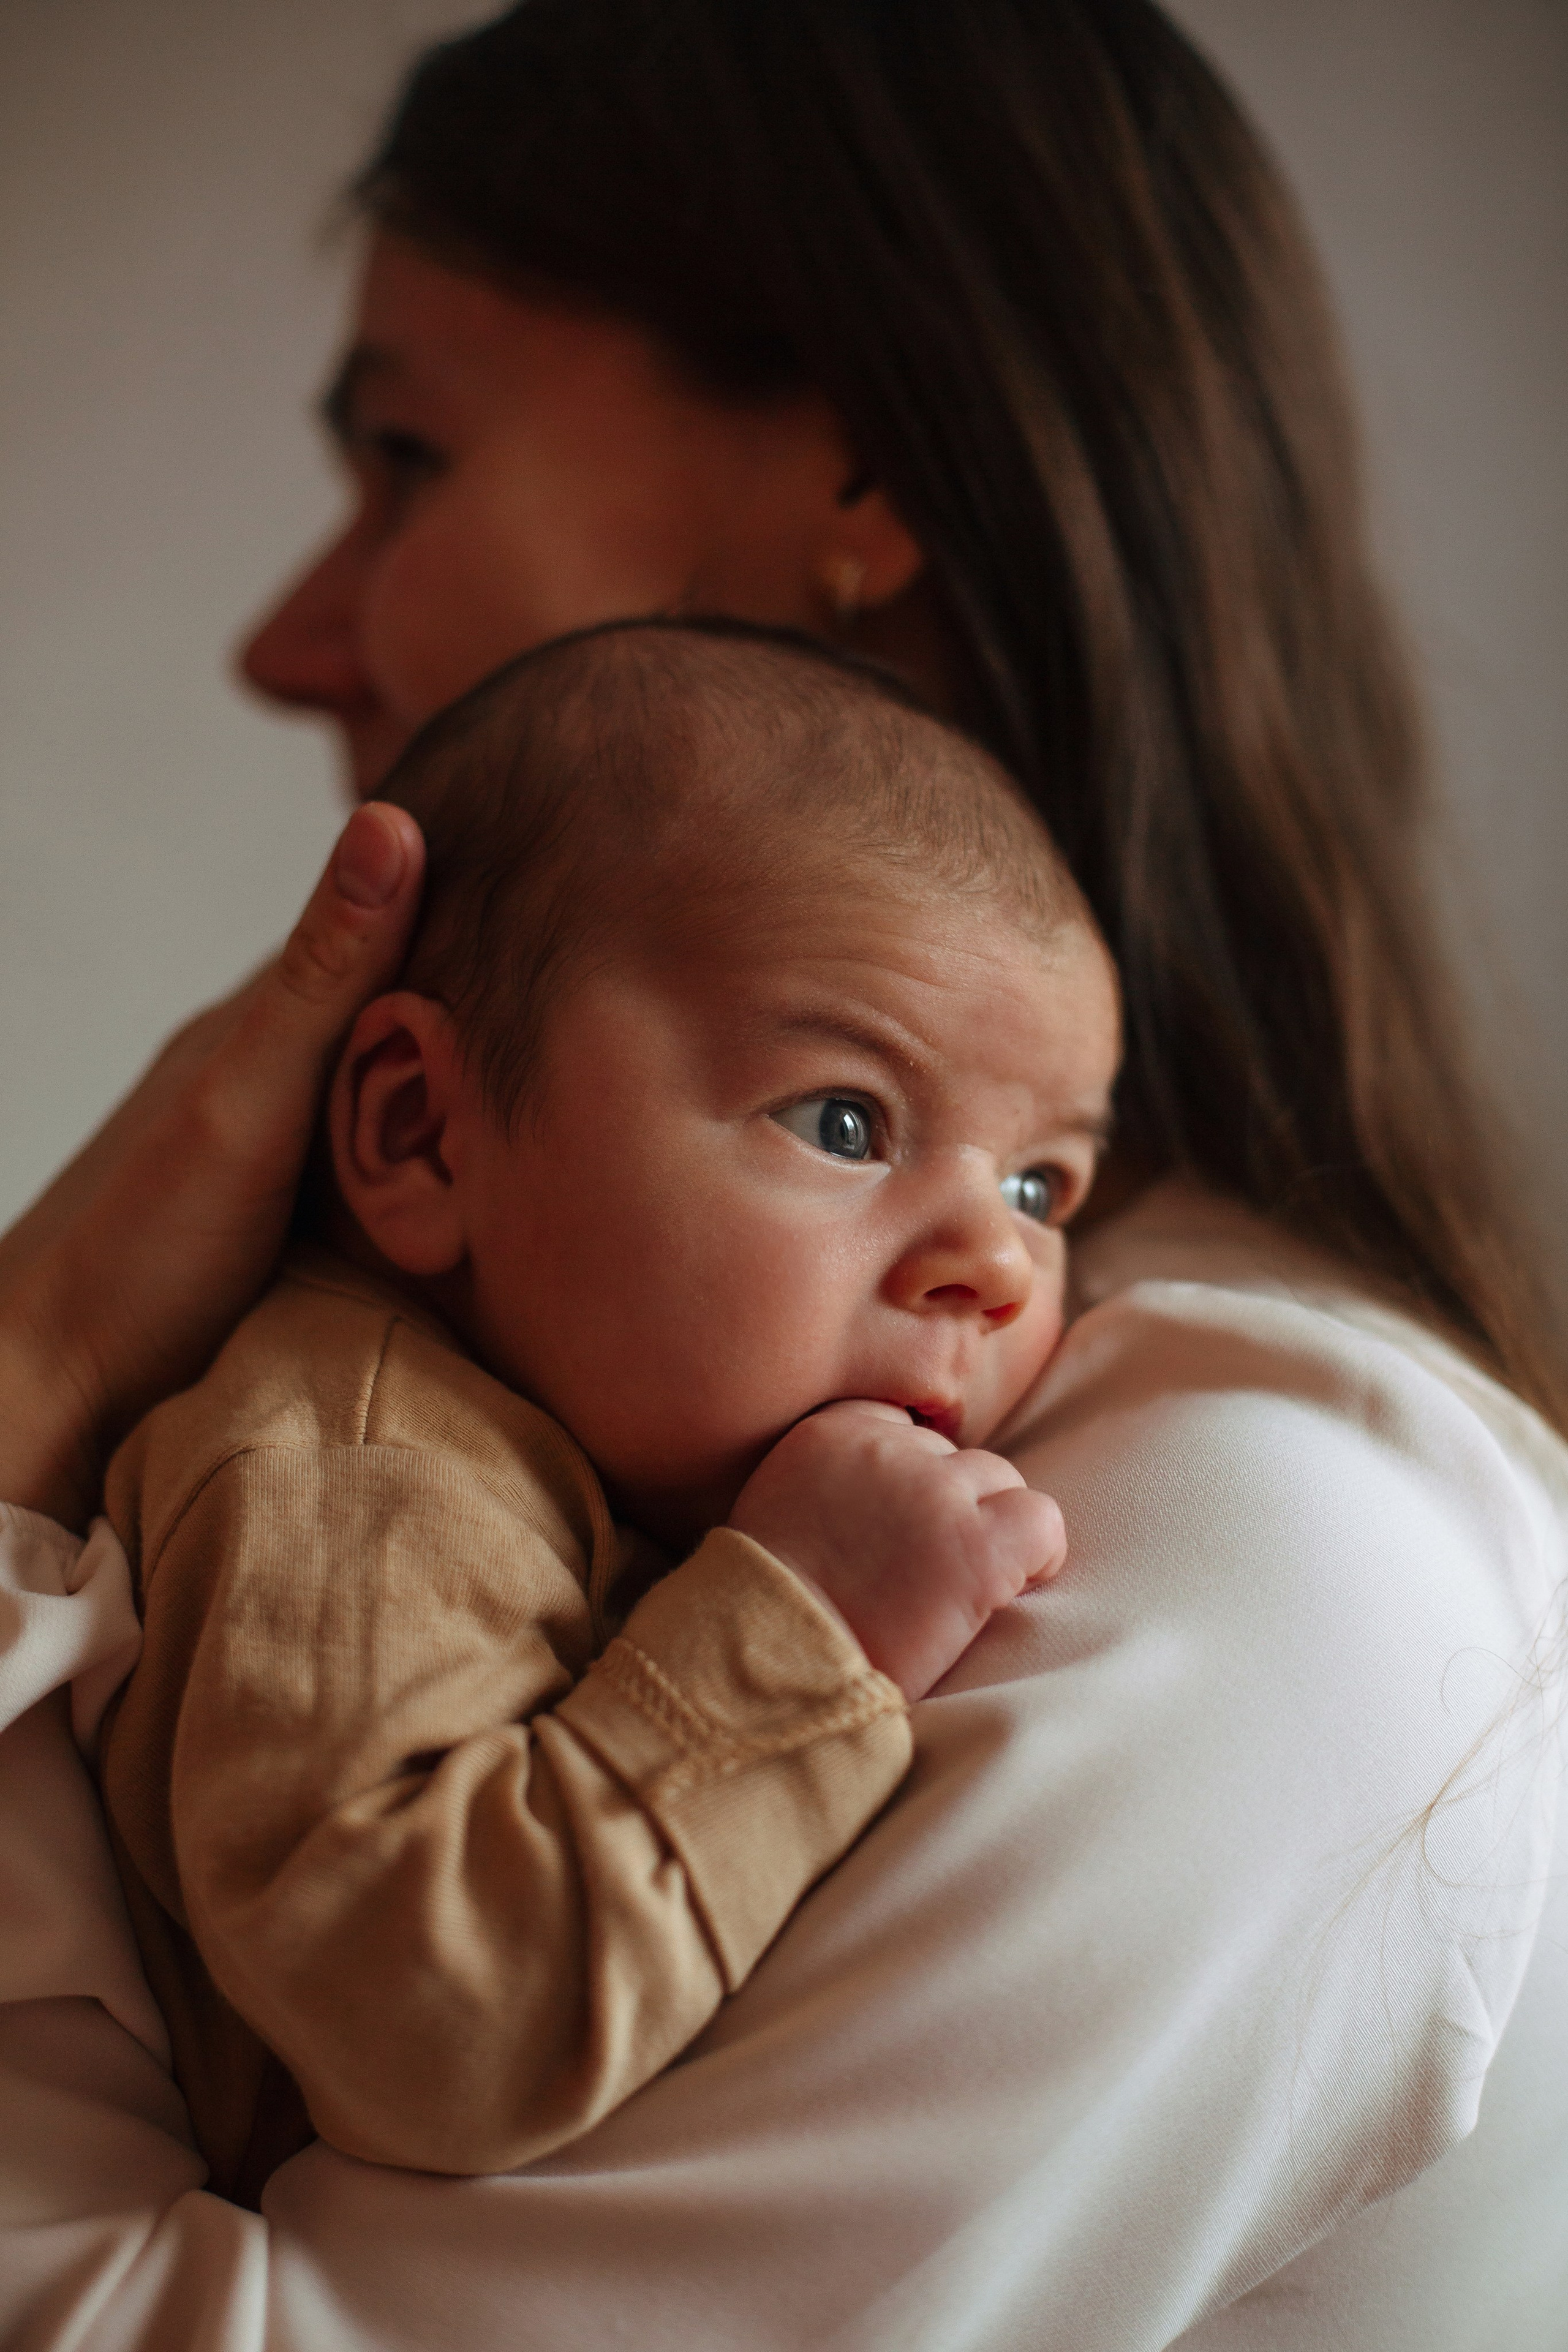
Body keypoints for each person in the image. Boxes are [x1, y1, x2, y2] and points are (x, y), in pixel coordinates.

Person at [1, 2, 1564, 2345]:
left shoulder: (1256, 1542)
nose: (293, 635)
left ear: (859, 478)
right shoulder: (515, 1413)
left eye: (409, 456)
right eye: (847, 1129)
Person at [99, 618, 1104, 2199]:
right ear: (425, 1132)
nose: (995, 1260)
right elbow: (431, 2025)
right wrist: (803, 1631)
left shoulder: (577, 1442)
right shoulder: (353, 1466)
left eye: (1046, 1182)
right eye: (847, 1119)